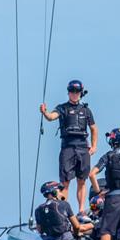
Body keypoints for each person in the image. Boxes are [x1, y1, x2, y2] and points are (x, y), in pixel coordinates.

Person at [40, 80, 98, 213]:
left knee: (82, 180)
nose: (74, 94)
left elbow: (94, 128)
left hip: (83, 148)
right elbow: (51, 117)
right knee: (65, 182)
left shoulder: (86, 110)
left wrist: (94, 146)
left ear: (81, 93)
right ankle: (64, 211)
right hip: (68, 147)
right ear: (68, 92)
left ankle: (81, 210)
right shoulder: (62, 108)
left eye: (77, 92)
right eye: (72, 91)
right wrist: (45, 112)